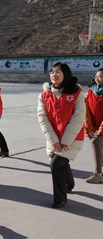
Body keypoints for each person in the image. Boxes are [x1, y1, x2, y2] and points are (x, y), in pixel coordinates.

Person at [37, 62, 85, 208]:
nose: (54, 75)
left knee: (56, 163)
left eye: (58, 72)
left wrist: (65, 140)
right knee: (61, 161)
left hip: (72, 138)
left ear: (66, 74)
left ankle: (60, 198)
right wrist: (54, 141)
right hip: (53, 138)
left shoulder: (77, 93)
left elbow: (78, 117)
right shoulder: (44, 95)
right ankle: (69, 183)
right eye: (52, 72)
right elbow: (42, 119)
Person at [84, 68, 103, 184]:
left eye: (100, 76)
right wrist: (90, 128)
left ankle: (97, 174)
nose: (97, 78)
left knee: (95, 142)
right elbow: (85, 111)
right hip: (94, 128)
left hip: (101, 129)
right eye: (96, 76)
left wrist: (100, 131)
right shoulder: (90, 92)